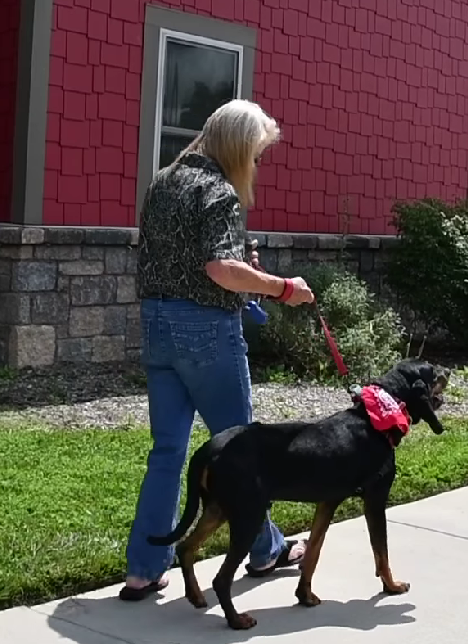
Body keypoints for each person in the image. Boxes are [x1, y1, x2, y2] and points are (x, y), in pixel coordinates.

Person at [120, 99, 316, 601]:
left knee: (167, 451)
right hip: (205, 329)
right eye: (256, 153)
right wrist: (281, 286)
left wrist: (240, 271)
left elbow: (196, 259)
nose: (255, 164)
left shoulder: (163, 181)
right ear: (237, 146)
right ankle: (265, 551)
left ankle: (143, 568)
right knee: (243, 450)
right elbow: (218, 270)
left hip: (156, 323)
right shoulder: (219, 191)